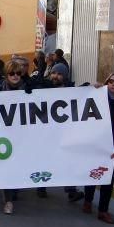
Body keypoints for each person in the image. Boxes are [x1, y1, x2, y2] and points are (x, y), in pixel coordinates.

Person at [32, 63, 86, 202]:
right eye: (54, 73)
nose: (55, 76)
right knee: (45, 159)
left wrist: (92, 89)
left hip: (63, 133)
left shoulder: (71, 90)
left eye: (59, 74)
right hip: (46, 133)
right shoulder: (43, 88)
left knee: (67, 160)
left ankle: (71, 190)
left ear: (65, 76)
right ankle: (41, 186)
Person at [84, 73, 114, 224]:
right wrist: (91, 87)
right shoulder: (97, 96)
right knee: (93, 174)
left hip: (113, 148)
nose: (113, 84)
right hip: (96, 144)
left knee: (107, 179)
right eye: (110, 81)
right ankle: (88, 201)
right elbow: (78, 95)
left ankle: (103, 211)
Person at [0, 61, 28, 215]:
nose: (15, 76)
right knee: (6, 165)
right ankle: (8, 201)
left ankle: (13, 189)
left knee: (18, 164)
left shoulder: (29, 87)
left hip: (22, 134)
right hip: (3, 134)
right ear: (6, 74)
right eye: (12, 73)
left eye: (18, 73)